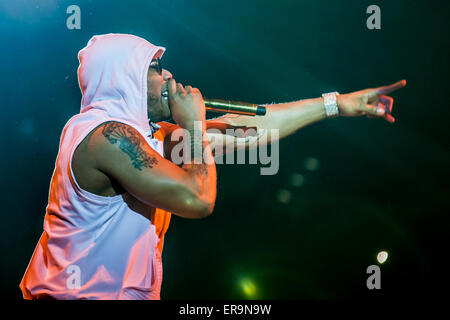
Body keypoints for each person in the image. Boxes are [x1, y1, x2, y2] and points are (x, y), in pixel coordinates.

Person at [20, 33, 406, 300]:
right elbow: (197, 199)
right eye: (154, 68)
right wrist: (192, 125)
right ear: (122, 78)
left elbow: (249, 130)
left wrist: (336, 103)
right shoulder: (105, 136)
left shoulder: (145, 137)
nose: (168, 75)